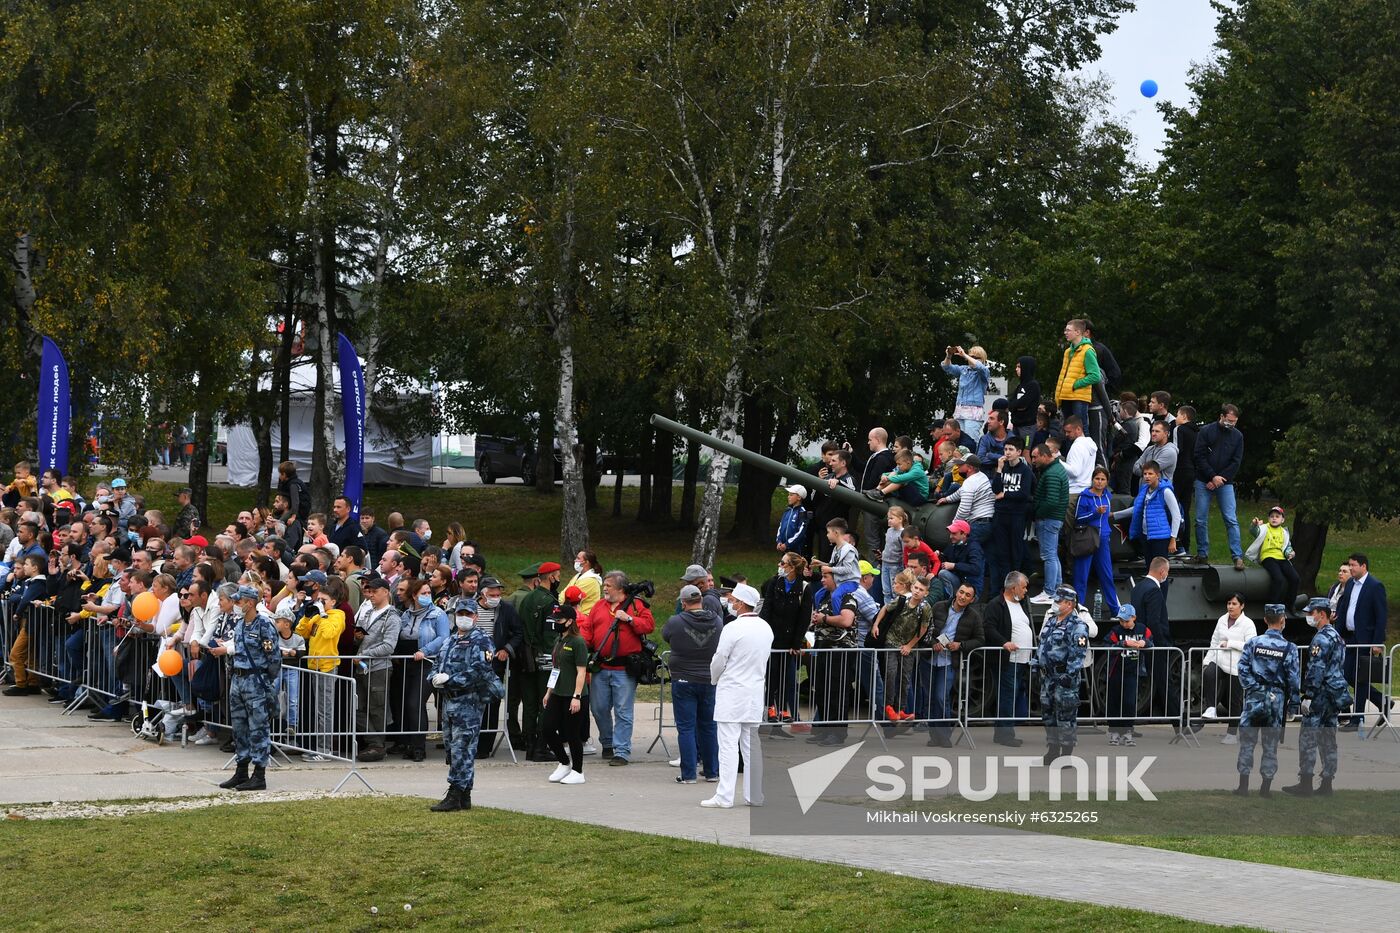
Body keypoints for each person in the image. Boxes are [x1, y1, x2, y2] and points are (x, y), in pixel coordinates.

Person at [701, 583, 773, 809]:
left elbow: (720, 658)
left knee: (728, 746)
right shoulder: (765, 628)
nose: (730, 604)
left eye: (732, 601)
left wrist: (714, 679)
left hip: (732, 693)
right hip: (753, 693)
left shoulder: (732, 628)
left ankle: (725, 796)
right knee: (751, 747)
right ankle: (754, 794)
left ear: (741, 603)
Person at [429, 597, 501, 811]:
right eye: (460, 614)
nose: (464, 618)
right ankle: (465, 794)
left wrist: (451, 680)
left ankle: (454, 793)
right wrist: (434, 677)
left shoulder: (482, 640)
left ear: (476, 617)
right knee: (452, 748)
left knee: (463, 748)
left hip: (469, 701)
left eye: (468, 614)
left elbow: (481, 670)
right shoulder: (449, 640)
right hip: (449, 701)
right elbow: (436, 662)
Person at [582, 571, 656, 765]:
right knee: (598, 708)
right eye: (604, 585)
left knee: (623, 711)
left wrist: (630, 619)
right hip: (601, 667)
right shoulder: (599, 606)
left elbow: (649, 625)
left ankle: (621, 750)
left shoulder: (636, 605)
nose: (604, 588)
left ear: (621, 589)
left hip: (624, 670)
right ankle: (607, 743)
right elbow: (589, 630)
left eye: (609, 586)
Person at [1283, 597, 1352, 798]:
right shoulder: (1336, 636)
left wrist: (1308, 695)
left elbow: (1316, 669)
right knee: (1329, 739)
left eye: (1310, 613)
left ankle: (1305, 783)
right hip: (1333, 694)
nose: (1308, 616)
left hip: (1320, 694)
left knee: (1308, 738)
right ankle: (1327, 783)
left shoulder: (1321, 638)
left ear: (1321, 614)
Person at [217, 585, 282, 792]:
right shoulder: (239, 624)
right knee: (239, 728)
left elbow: (274, 658)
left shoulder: (264, 625)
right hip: (237, 680)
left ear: (250, 603)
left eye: (238, 602)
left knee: (258, 729)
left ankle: (259, 774)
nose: (236, 605)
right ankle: (242, 770)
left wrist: (264, 680)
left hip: (256, 682)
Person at [1233, 604, 1299, 797]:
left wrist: (1253, 687)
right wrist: (1293, 703)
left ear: (1265, 620)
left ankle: (1243, 786)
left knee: (1247, 742)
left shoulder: (1253, 643)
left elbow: (1242, 668)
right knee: (1270, 745)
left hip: (1254, 698)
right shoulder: (1290, 648)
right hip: (1276, 700)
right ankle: (1265, 788)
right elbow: (1293, 678)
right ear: (1282, 620)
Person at [1131, 556, 1197, 736]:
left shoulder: (1138, 588)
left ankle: (1126, 727)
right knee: (1165, 683)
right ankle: (1180, 725)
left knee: (1138, 683)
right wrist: (1163, 643)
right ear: (1162, 572)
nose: (1166, 575)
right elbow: (1154, 621)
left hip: (1141, 640)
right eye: (1166, 572)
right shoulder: (1154, 590)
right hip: (1154, 645)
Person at [663, 585, 722, 785]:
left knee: (686, 728)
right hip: (709, 679)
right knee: (709, 727)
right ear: (701, 601)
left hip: (683, 679)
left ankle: (689, 774)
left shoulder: (676, 621)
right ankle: (712, 771)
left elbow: (666, 636)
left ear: (683, 602)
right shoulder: (717, 621)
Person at [393, 579, 450, 761]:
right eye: (423, 593)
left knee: (415, 702)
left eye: (428, 593)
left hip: (427, 662)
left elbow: (443, 637)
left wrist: (425, 651)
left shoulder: (437, 614)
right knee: (405, 704)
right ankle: (409, 743)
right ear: (414, 596)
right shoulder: (406, 615)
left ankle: (419, 747)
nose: (427, 596)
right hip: (407, 663)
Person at [919, 582, 982, 746]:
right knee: (931, 698)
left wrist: (960, 645)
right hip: (930, 658)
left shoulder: (974, 616)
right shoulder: (939, 606)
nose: (963, 597)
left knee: (941, 697)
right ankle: (934, 737)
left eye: (967, 595)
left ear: (972, 599)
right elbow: (925, 629)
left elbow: (980, 639)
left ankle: (944, 736)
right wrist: (933, 643)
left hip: (949, 661)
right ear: (956, 592)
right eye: (961, 592)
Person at [1333, 552, 1389, 731]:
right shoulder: (1350, 584)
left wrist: (1377, 642)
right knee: (1348, 675)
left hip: (1366, 639)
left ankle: (1357, 719)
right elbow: (1343, 608)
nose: (1350, 568)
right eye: (1349, 565)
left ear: (1364, 566)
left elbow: (1381, 616)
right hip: (1349, 637)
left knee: (1361, 678)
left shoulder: (1375, 586)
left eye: (1354, 565)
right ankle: (1382, 702)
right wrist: (1338, 633)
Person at [1038, 584, 1091, 764]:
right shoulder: (1052, 621)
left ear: (1069, 604)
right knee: (1048, 714)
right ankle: (1053, 749)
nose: (1055, 604)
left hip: (1064, 678)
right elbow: (1043, 645)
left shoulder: (1077, 626)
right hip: (1048, 677)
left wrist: (1069, 674)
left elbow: (1078, 653)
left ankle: (1066, 754)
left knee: (1065, 716)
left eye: (1058, 601)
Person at [807, 565, 859, 746]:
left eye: (826, 576)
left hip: (841, 651)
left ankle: (837, 733)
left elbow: (846, 620)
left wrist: (824, 619)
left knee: (837, 691)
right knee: (822, 690)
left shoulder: (847, 597)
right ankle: (825, 729)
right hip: (823, 648)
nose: (822, 580)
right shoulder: (824, 597)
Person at [351, 573, 400, 762]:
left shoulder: (392, 617)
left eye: (375, 591)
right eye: (369, 591)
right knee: (359, 707)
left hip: (378, 668)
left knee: (377, 708)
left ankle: (377, 745)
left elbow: (389, 646)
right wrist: (358, 638)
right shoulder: (369, 612)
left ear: (386, 592)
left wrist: (365, 654)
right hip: (363, 667)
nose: (370, 595)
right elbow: (362, 634)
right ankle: (373, 742)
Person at [517, 561, 563, 760]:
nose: (559, 579)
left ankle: (529, 744)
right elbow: (550, 634)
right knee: (546, 703)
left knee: (529, 703)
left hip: (526, 658)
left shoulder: (528, 599)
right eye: (558, 575)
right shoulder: (549, 601)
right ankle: (541, 746)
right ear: (551, 577)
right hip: (544, 659)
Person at [981, 571, 1033, 747]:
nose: (1026, 590)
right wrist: (1004, 642)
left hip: (1022, 659)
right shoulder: (996, 605)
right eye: (1024, 587)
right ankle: (1005, 734)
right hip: (1008, 659)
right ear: (1013, 587)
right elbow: (988, 627)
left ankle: (1006, 730)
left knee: (1015, 695)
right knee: (1007, 697)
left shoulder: (1020, 604)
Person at [1191, 404, 1245, 569]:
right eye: (1229, 421)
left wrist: (1221, 478)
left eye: (1234, 422)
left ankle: (1237, 556)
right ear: (1221, 416)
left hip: (1225, 482)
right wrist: (1212, 476)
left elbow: (1236, 461)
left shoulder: (1238, 436)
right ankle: (1202, 554)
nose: (1231, 424)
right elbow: (1199, 455)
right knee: (1200, 519)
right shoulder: (1206, 431)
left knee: (1231, 519)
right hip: (1204, 479)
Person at [871, 571, 929, 723]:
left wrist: (910, 645)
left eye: (921, 590)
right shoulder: (903, 599)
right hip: (892, 640)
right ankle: (889, 706)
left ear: (925, 593)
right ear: (912, 587)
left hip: (908, 645)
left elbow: (923, 629)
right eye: (916, 588)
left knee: (905, 677)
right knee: (891, 673)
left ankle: (901, 708)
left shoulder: (925, 607)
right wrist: (876, 625)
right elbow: (885, 608)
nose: (917, 591)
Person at [295, 586, 346, 761]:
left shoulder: (338, 615)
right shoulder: (318, 615)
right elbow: (301, 632)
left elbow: (330, 633)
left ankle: (325, 749)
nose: (321, 603)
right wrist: (308, 616)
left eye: (324, 601)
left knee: (325, 709)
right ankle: (318, 746)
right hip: (314, 665)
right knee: (318, 709)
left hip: (327, 666)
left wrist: (322, 615)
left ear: (333, 601)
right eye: (319, 600)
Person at [541, 603, 590, 786]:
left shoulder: (578, 642)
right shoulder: (559, 640)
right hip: (558, 693)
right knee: (547, 728)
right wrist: (548, 692)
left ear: (570, 621)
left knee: (571, 734)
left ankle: (578, 771)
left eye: (559, 620)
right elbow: (556, 669)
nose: (556, 623)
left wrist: (576, 696)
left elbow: (581, 672)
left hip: (574, 696)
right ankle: (564, 762)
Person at [1200, 593, 1257, 744]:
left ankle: (1231, 734)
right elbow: (1214, 641)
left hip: (1237, 666)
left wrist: (1231, 643)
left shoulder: (1248, 623)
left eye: (1234, 604)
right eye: (1229, 603)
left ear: (1242, 606)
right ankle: (1211, 707)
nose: (1230, 606)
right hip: (1220, 660)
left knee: (1235, 699)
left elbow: (1251, 646)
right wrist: (1207, 660)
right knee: (1209, 672)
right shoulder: (1221, 620)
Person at [760, 553, 809, 724]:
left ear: (792, 567)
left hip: (789, 640)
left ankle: (782, 708)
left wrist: (796, 642)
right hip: (772, 637)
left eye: (783, 562)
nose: (779, 565)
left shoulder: (804, 587)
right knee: (772, 673)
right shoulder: (775, 582)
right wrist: (764, 634)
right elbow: (766, 608)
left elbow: (804, 618)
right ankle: (770, 707)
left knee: (785, 676)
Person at [986, 438, 1034, 606]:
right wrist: (998, 470)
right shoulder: (1003, 468)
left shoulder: (1025, 471)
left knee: (1016, 551)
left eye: (1011, 449)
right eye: (1005, 449)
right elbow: (995, 489)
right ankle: (1005, 588)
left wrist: (1005, 495)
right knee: (1002, 552)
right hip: (1000, 514)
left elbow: (1024, 494)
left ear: (1019, 452)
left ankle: (1018, 587)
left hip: (1016, 515)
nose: (1007, 452)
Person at [1071, 467, 1119, 616]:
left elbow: (1106, 517)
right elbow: (1078, 518)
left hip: (1103, 538)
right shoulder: (1084, 496)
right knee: (1081, 575)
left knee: (1107, 575)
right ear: (1092, 480)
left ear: (1107, 482)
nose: (1099, 482)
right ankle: (1078, 610)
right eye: (1097, 479)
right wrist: (1094, 513)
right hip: (1088, 538)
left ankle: (1116, 610)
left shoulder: (1107, 496)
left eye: (1103, 479)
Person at [1118, 461, 1181, 570]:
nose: (1147, 476)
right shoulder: (1144, 490)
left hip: (1160, 537)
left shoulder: (1165, 491)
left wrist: (1173, 539)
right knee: (1150, 569)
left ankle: (1161, 588)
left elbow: (1176, 515)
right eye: (1145, 474)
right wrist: (1115, 515)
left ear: (1157, 475)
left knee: (1160, 571)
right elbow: (1137, 508)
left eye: (1150, 474)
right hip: (1146, 535)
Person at [1104, 605, 1151, 747]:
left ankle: (1128, 730)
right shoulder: (1115, 630)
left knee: (1129, 702)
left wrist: (1144, 643)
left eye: (1126, 621)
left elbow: (1151, 640)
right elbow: (1107, 645)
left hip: (1133, 671)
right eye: (1121, 621)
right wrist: (1122, 643)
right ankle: (1114, 731)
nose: (1124, 624)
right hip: (1116, 671)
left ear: (1134, 618)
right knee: (1114, 701)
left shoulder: (1142, 629)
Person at [1029, 443, 1069, 604]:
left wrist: (1038, 512)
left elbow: (1051, 501)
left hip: (1049, 519)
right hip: (1054, 519)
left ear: (1045, 456)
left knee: (1049, 556)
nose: (1033, 460)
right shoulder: (1055, 469)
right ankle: (1057, 590)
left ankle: (1049, 591)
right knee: (1052, 555)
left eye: (1035, 457)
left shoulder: (1052, 474)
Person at [937, 454, 994, 553]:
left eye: (961, 465)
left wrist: (954, 525)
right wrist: (946, 499)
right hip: (987, 523)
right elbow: (960, 492)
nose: (958, 467)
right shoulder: (981, 476)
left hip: (978, 524)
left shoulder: (970, 482)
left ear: (970, 468)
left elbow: (964, 509)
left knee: (959, 551)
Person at [1246, 507, 1299, 609]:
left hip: (1281, 558)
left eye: (1277, 516)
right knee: (1278, 578)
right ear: (1268, 518)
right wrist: (1254, 524)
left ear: (1282, 520)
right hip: (1268, 557)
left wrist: (1290, 553)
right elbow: (1254, 531)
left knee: (1295, 578)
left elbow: (1287, 547)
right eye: (1272, 516)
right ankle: (1273, 605)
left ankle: (1290, 605)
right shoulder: (1264, 528)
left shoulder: (1284, 532)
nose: (1274, 518)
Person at [1053, 319, 1101, 424]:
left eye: (1068, 330)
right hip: (1066, 396)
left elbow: (1095, 376)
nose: (1065, 333)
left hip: (1079, 397)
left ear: (1078, 332)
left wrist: (1075, 384)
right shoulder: (1068, 351)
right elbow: (1063, 375)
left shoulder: (1087, 350)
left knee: (1080, 428)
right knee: (1068, 429)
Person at [941, 345, 992, 440]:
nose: (971, 359)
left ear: (983, 359)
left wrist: (965, 355)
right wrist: (948, 356)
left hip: (973, 413)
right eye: (971, 356)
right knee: (958, 441)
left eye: (976, 357)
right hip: (959, 411)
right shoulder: (964, 369)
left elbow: (979, 367)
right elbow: (946, 367)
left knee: (970, 440)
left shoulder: (984, 371)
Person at [931, 519, 982, 601]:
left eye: (954, 533)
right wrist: (939, 555)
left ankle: (950, 601)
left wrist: (954, 566)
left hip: (971, 589)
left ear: (964, 534)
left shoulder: (974, 548)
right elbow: (946, 559)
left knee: (943, 573)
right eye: (950, 533)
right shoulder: (954, 544)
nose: (951, 536)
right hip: (959, 582)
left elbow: (976, 568)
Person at [1007, 356, 1041, 450]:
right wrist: (1016, 406)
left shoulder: (1033, 385)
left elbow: (1024, 403)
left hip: (1027, 427)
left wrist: (1016, 405)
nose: (1016, 369)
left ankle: (1028, 465)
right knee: (1015, 451)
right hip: (1016, 425)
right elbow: (1011, 403)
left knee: (1026, 451)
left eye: (1019, 367)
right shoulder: (1020, 386)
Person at [878, 506, 910, 603]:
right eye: (888, 518)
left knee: (894, 590)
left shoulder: (903, 533)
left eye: (891, 518)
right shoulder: (889, 530)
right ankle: (886, 609)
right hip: (885, 563)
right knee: (886, 590)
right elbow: (887, 546)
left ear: (900, 519)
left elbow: (904, 551)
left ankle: (894, 609)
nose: (889, 520)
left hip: (895, 566)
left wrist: (904, 567)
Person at [1133, 419, 1179, 485]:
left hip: (1160, 492)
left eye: (1157, 431)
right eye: (1152, 431)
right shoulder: (1149, 449)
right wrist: (1145, 470)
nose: (1153, 434)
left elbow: (1150, 470)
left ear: (1166, 433)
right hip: (1144, 491)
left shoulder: (1170, 451)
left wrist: (1143, 467)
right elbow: (1135, 468)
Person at [775, 484, 812, 558]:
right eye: (788, 495)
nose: (788, 497)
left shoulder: (803, 512)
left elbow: (801, 532)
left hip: (796, 549)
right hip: (784, 548)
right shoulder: (787, 511)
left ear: (799, 497)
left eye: (791, 495)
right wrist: (779, 541)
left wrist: (787, 544)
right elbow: (780, 526)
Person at [562, 550, 604, 615]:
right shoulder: (578, 575)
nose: (575, 560)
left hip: (585, 617)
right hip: (576, 615)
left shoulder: (590, 580)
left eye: (578, 558)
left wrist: (557, 603)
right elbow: (565, 591)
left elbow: (569, 596)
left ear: (586, 562)